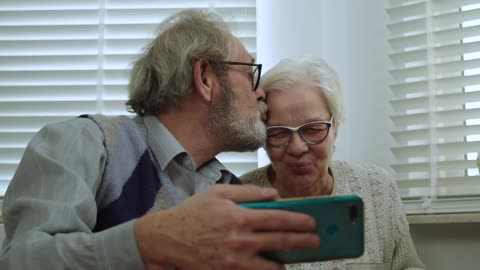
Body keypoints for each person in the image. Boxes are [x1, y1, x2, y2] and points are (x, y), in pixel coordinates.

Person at [0, 10, 321, 270]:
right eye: (250, 72)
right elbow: (23, 260)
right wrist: (147, 243)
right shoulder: (84, 143)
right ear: (206, 77)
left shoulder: (231, 194)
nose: (260, 91)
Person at [240, 57, 425, 270]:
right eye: (278, 133)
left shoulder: (378, 189)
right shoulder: (240, 200)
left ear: (335, 126)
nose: (297, 148)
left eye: (313, 129)